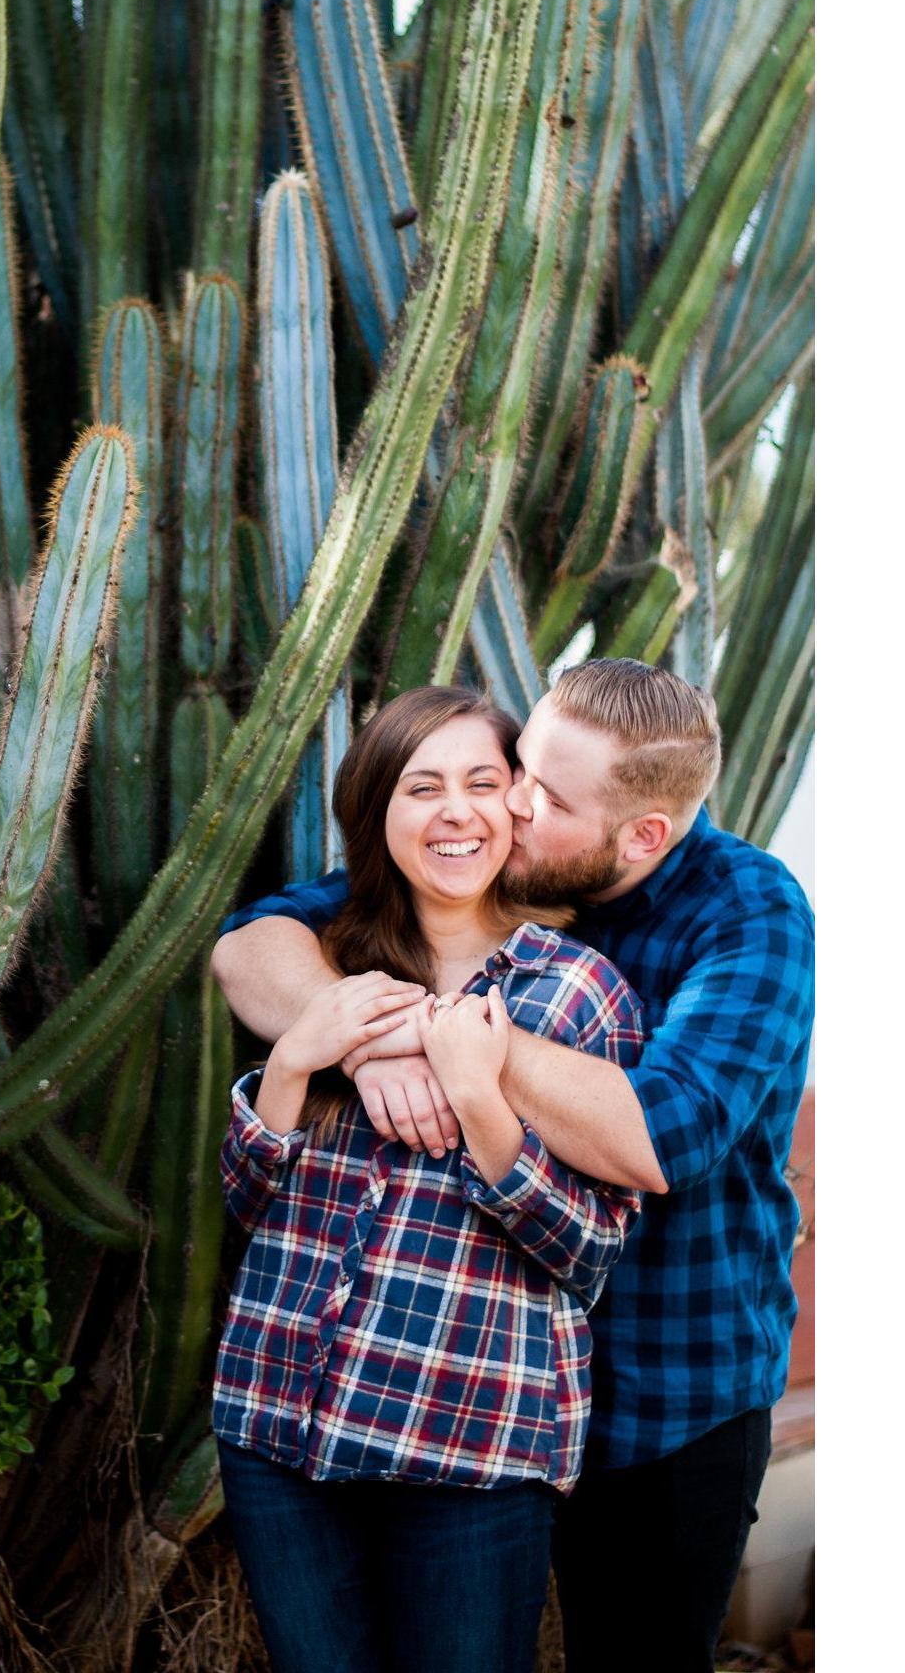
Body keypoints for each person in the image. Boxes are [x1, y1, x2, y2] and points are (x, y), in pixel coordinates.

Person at [212, 659, 816, 1673]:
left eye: (548, 797)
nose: (513, 806)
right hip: (462, 1380)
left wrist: (463, 1043)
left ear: (642, 837)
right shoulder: (489, 869)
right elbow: (251, 944)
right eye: (519, 768)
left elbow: (658, 1137)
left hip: (665, 1387)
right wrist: (372, 1039)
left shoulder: (747, 912)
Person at [212, 685, 646, 1673]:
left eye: (482, 783)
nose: (456, 812)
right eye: (422, 787)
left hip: (467, 1443)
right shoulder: (327, 964)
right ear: (377, 809)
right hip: (279, 1423)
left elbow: (588, 1254)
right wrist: (297, 1059)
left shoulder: (579, 994)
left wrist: (479, 1095)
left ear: (516, 804)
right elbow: (250, 1203)